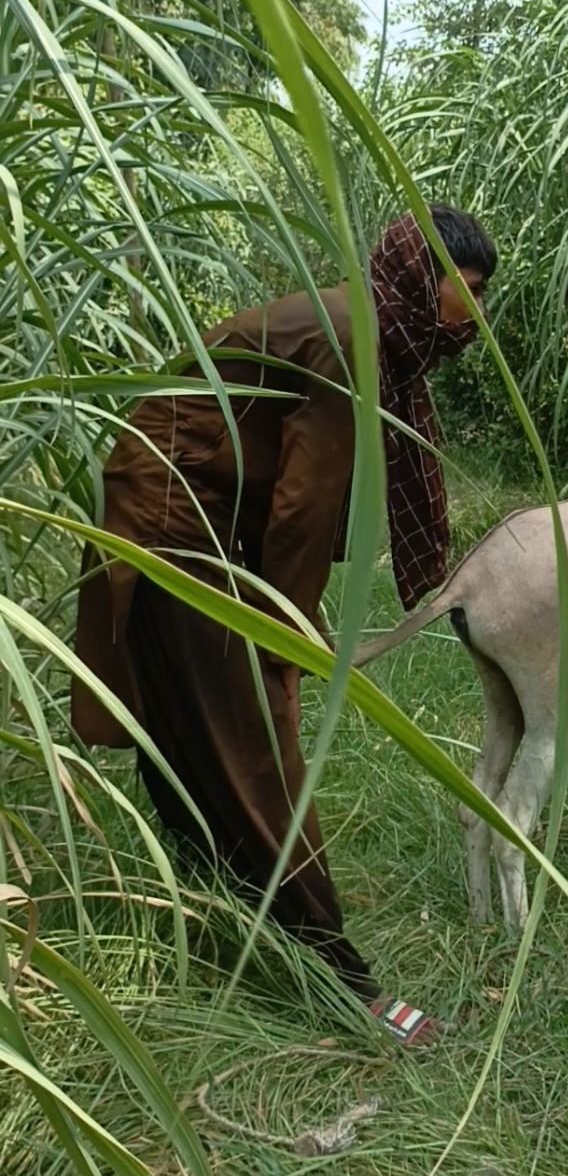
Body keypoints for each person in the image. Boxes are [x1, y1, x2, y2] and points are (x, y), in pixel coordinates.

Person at [71, 206, 497, 1046]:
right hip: (177, 518)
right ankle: (345, 985)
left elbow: (299, 490)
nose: (473, 318)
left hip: (184, 503)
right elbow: (303, 509)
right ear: (424, 274)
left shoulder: (364, 322)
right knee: (254, 735)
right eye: (470, 292)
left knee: (190, 718)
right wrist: (285, 639)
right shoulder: (357, 339)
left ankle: (222, 904)